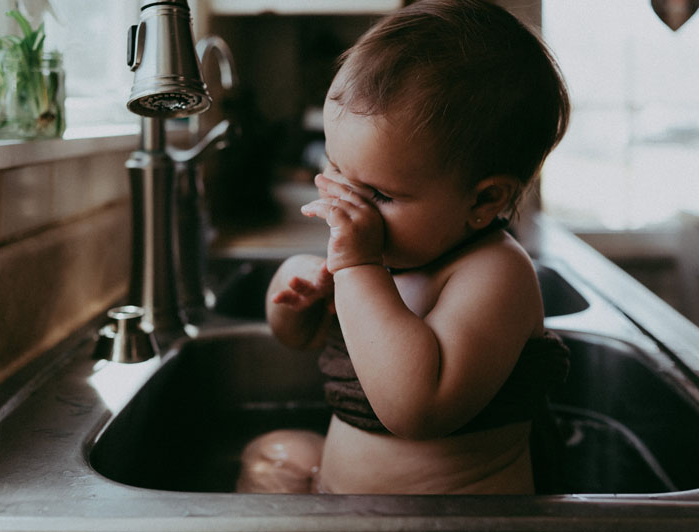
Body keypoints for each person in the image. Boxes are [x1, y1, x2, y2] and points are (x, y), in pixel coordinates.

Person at [236, 0, 571, 495]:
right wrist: (295, 298)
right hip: (349, 504)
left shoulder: (495, 274)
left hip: (449, 523)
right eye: (335, 170)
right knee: (271, 455)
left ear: (484, 200)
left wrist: (357, 270)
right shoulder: (391, 254)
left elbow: (416, 407)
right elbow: (300, 340)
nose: (350, 207)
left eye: (379, 194)